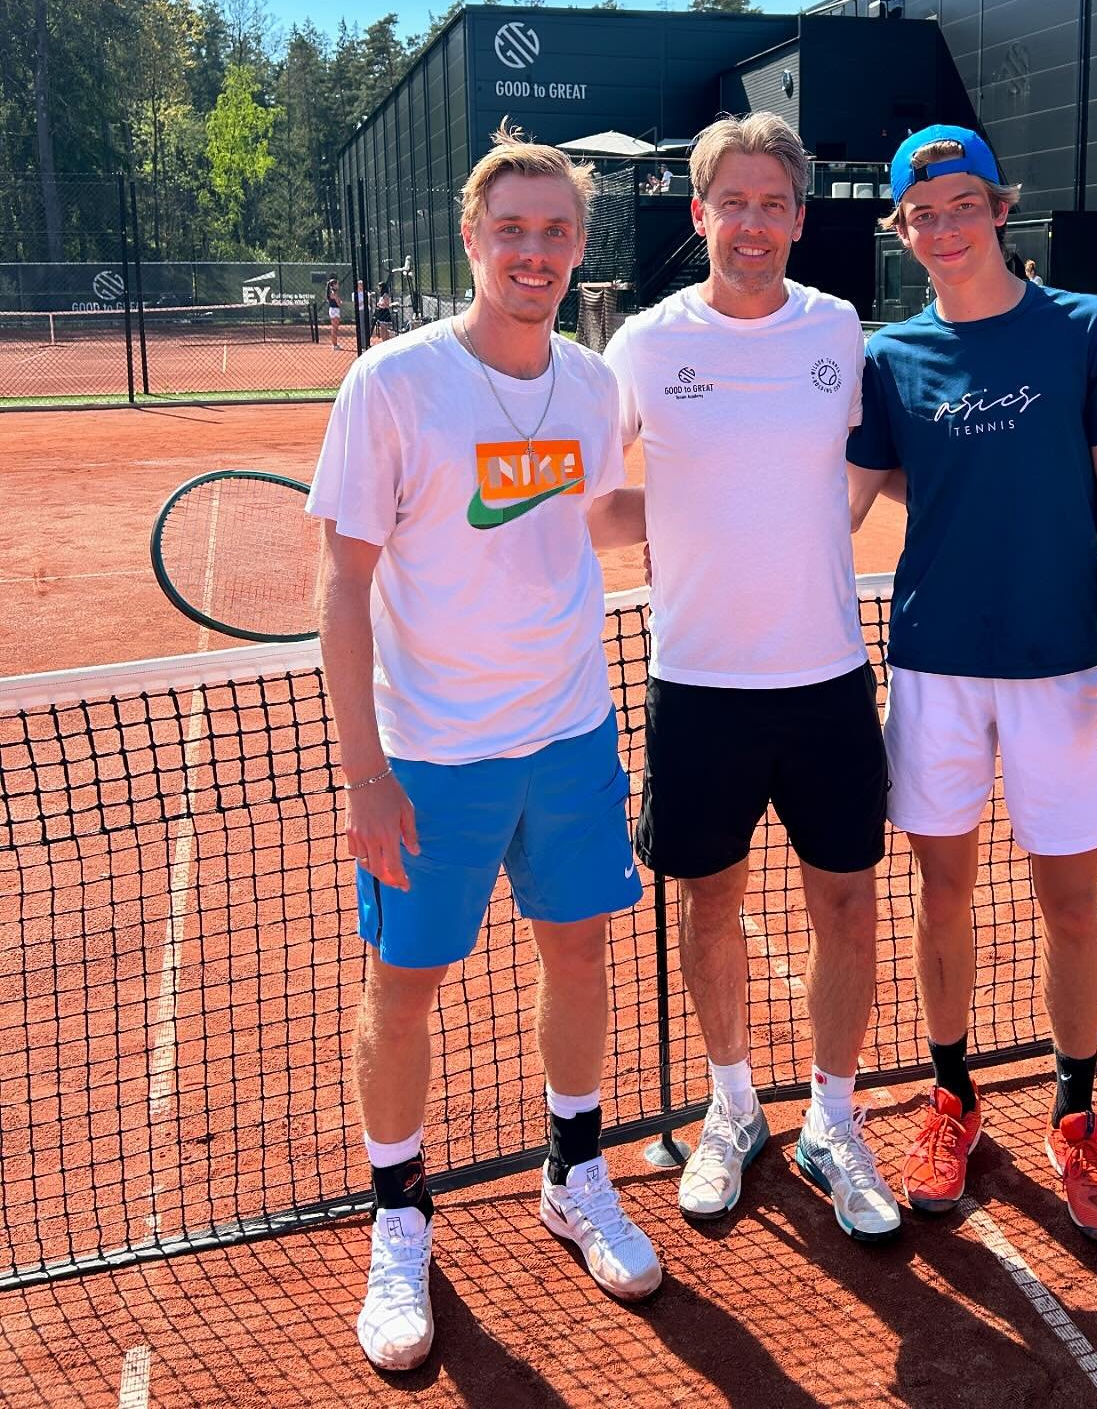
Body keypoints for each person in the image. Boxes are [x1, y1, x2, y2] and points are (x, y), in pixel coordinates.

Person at [308, 120, 661, 1373]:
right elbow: (343, 584)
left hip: (570, 734)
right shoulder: (392, 384)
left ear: (581, 246)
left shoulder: (592, 380)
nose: (535, 249)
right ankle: (398, 1218)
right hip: (432, 760)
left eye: (557, 230)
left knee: (580, 956)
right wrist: (364, 772)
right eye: (511, 228)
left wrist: (721, 500)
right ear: (471, 238)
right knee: (404, 991)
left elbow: (591, 510)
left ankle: (575, 1171)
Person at [847, 125, 1097, 1244]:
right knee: (943, 895)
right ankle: (953, 1099)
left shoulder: (1085, 329)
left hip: (1063, 669)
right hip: (932, 669)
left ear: (999, 208)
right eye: (922, 213)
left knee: (1069, 903)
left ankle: (1075, 1118)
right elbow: (835, 503)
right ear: (902, 230)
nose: (944, 226)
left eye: (963, 203)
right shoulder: (891, 359)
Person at [604, 111, 899, 1243]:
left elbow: (876, 467)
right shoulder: (645, 345)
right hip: (698, 685)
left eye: (775, 201)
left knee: (847, 909)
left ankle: (832, 1117)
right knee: (709, 907)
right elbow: (589, 497)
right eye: (734, 201)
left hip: (828, 679)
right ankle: (735, 1110)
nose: (755, 222)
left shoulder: (840, 330)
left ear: (799, 217)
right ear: (700, 213)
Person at [326, 276, 342, 349]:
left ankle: (335, 344)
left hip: (334, 310)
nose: (338, 286)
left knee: (335, 328)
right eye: (337, 284)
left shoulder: (334, 293)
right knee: (334, 328)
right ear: (334, 285)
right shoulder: (333, 293)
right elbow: (339, 303)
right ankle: (334, 345)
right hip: (334, 310)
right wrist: (339, 301)